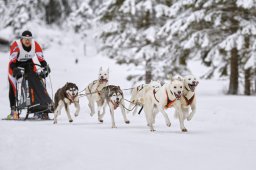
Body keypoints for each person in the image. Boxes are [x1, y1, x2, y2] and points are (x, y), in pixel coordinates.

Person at [8, 30, 51, 119]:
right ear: (21, 39)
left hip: (29, 65)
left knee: (37, 82)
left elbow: (41, 60)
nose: (27, 41)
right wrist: (16, 71)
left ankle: (39, 107)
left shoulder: (36, 45)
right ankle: (13, 110)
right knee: (13, 86)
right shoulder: (16, 45)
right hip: (15, 66)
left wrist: (46, 67)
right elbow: (12, 62)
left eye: (29, 39)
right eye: (25, 39)